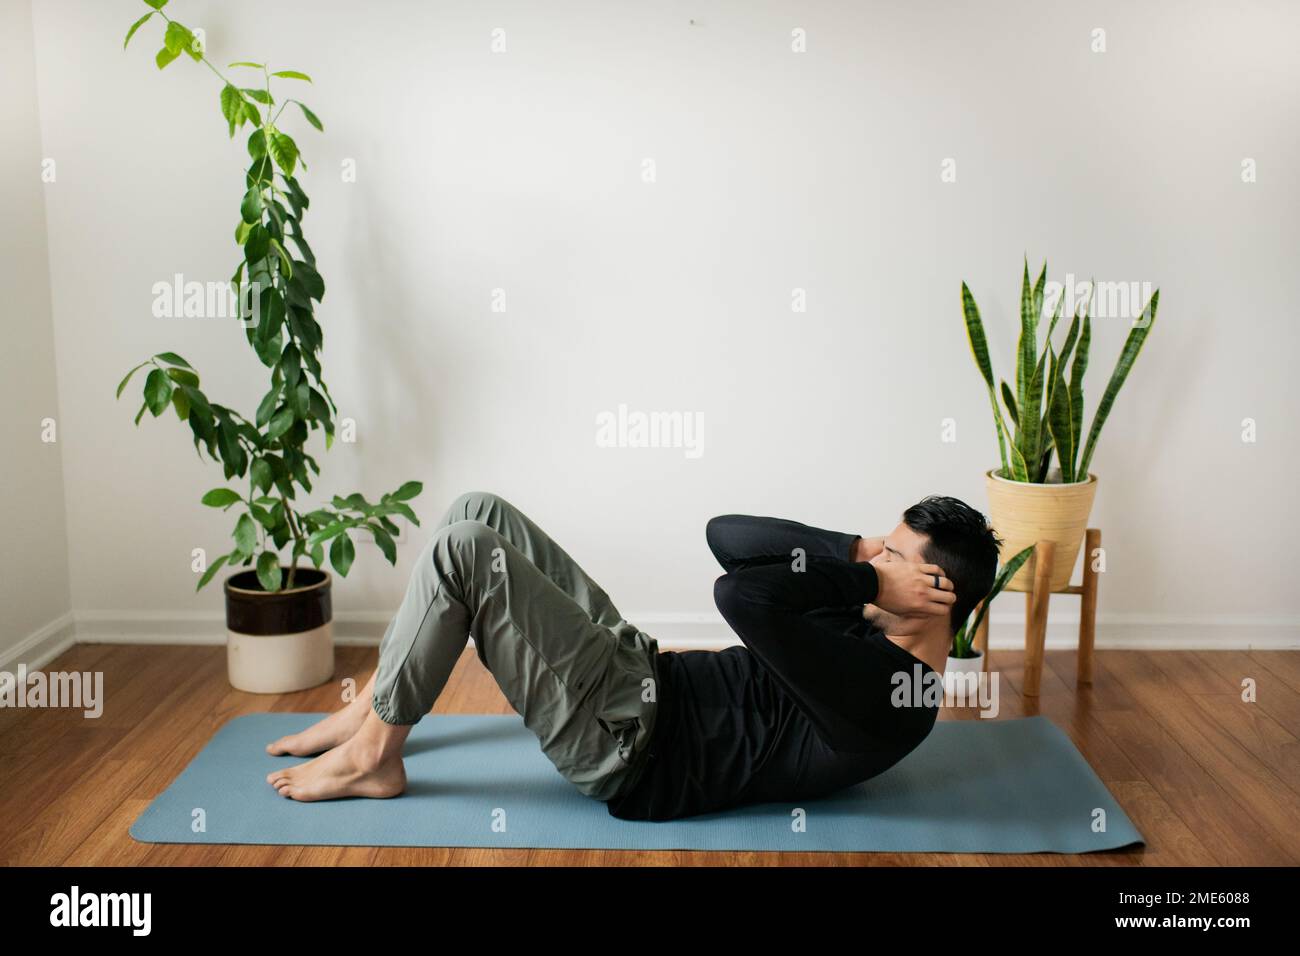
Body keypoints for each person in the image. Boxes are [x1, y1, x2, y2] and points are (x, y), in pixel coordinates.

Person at [265, 490, 1000, 821]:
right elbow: (728, 536)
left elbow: (739, 597)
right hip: (639, 673)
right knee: (476, 512)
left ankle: (376, 756)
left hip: (628, 743)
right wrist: (858, 552)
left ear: (935, 592)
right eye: (885, 555)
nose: (884, 566)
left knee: (464, 554)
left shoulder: (889, 692)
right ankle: (373, 708)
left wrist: (869, 578)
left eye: (902, 558)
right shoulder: (871, 610)